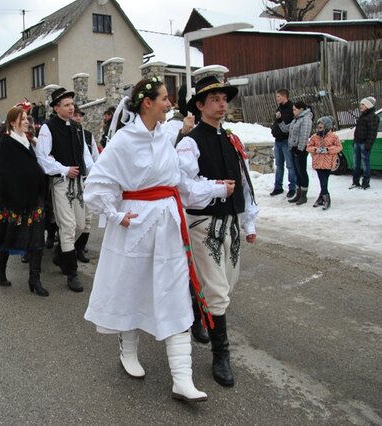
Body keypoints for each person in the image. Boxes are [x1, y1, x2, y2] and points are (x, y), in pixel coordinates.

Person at [84, 75, 235, 402]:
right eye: (165, 98)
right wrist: (116, 215)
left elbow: (179, 183)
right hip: (136, 226)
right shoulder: (123, 141)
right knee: (132, 288)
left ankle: (182, 378)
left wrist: (216, 188)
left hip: (169, 226)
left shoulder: (166, 137)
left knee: (175, 293)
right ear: (147, 103)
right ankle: (128, 347)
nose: (170, 103)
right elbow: (95, 187)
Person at [176, 65, 259, 388]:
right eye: (214, 99)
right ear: (199, 105)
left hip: (232, 222)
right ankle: (221, 354)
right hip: (203, 224)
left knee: (226, 284)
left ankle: (198, 308)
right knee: (218, 291)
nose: (221, 104)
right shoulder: (189, 143)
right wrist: (215, 189)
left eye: (224, 98)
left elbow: (246, 183)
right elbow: (183, 188)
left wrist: (248, 219)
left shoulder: (233, 139)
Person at [0, 106, 49, 297]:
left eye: (27, 118)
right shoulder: (6, 144)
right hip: (13, 199)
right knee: (8, 234)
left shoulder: (28, 142)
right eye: (23, 119)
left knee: (36, 237)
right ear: (13, 122)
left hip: (33, 197)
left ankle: (34, 279)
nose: (27, 121)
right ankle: (0, 268)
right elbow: (4, 174)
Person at [36, 87, 94, 292]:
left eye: (72, 104)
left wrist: (92, 173)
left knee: (80, 225)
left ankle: (61, 255)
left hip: (79, 182)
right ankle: (72, 273)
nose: (71, 108)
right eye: (67, 105)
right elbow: (43, 158)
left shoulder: (77, 128)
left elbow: (86, 155)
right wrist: (64, 169)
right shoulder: (47, 128)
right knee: (68, 227)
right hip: (61, 183)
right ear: (56, 107)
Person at [71, 104, 100, 263]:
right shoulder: (67, 134)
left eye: (80, 115)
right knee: (75, 222)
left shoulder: (88, 135)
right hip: (72, 181)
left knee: (88, 219)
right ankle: (66, 250)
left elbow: (94, 158)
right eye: (75, 115)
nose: (78, 118)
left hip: (87, 180)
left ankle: (80, 249)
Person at [307, 116, 342, 210]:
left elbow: (339, 147)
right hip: (318, 162)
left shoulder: (334, 136)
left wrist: (327, 149)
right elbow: (309, 147)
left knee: (324, 181)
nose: (319, 125)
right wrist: (316, 149)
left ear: (327, 125)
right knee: (322, 180)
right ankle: (327, 199)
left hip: (328, 162)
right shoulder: (314, 137)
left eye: (322, 123)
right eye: (318, 123)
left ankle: (320, 198)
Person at [270, 88, 296, 198]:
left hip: (286, 141)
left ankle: (293, 188)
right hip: (278, 141)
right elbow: (276, 121)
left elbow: (289, 125)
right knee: (278, 165)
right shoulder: (279, 108)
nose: (277, 99)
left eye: (278, 97)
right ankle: (278, 187)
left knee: (290, 165)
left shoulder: (291, 108)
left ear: (284, 96)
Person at [287, 101, 314, 205]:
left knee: (302, 172)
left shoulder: (306, 119)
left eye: (294, 109)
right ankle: (298, 194)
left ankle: (303, 195)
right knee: (297, 173)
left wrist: (299, 149)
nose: (293, 111)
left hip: (300, 150)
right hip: (293, 148)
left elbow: (304, 136)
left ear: (301, 109)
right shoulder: (296, 119)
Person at [351, 96, 379, 190]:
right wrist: (354, 141)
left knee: (365, 164)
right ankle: (355, 182)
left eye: (363, 104)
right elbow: (357, 130)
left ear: (368, 105)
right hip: (357, 143)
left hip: (364, 144)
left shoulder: (373, 117)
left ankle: (365, 183)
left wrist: (368, 145)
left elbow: (372, 133)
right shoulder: (362, 115)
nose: (360, 106)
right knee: (356, 164)